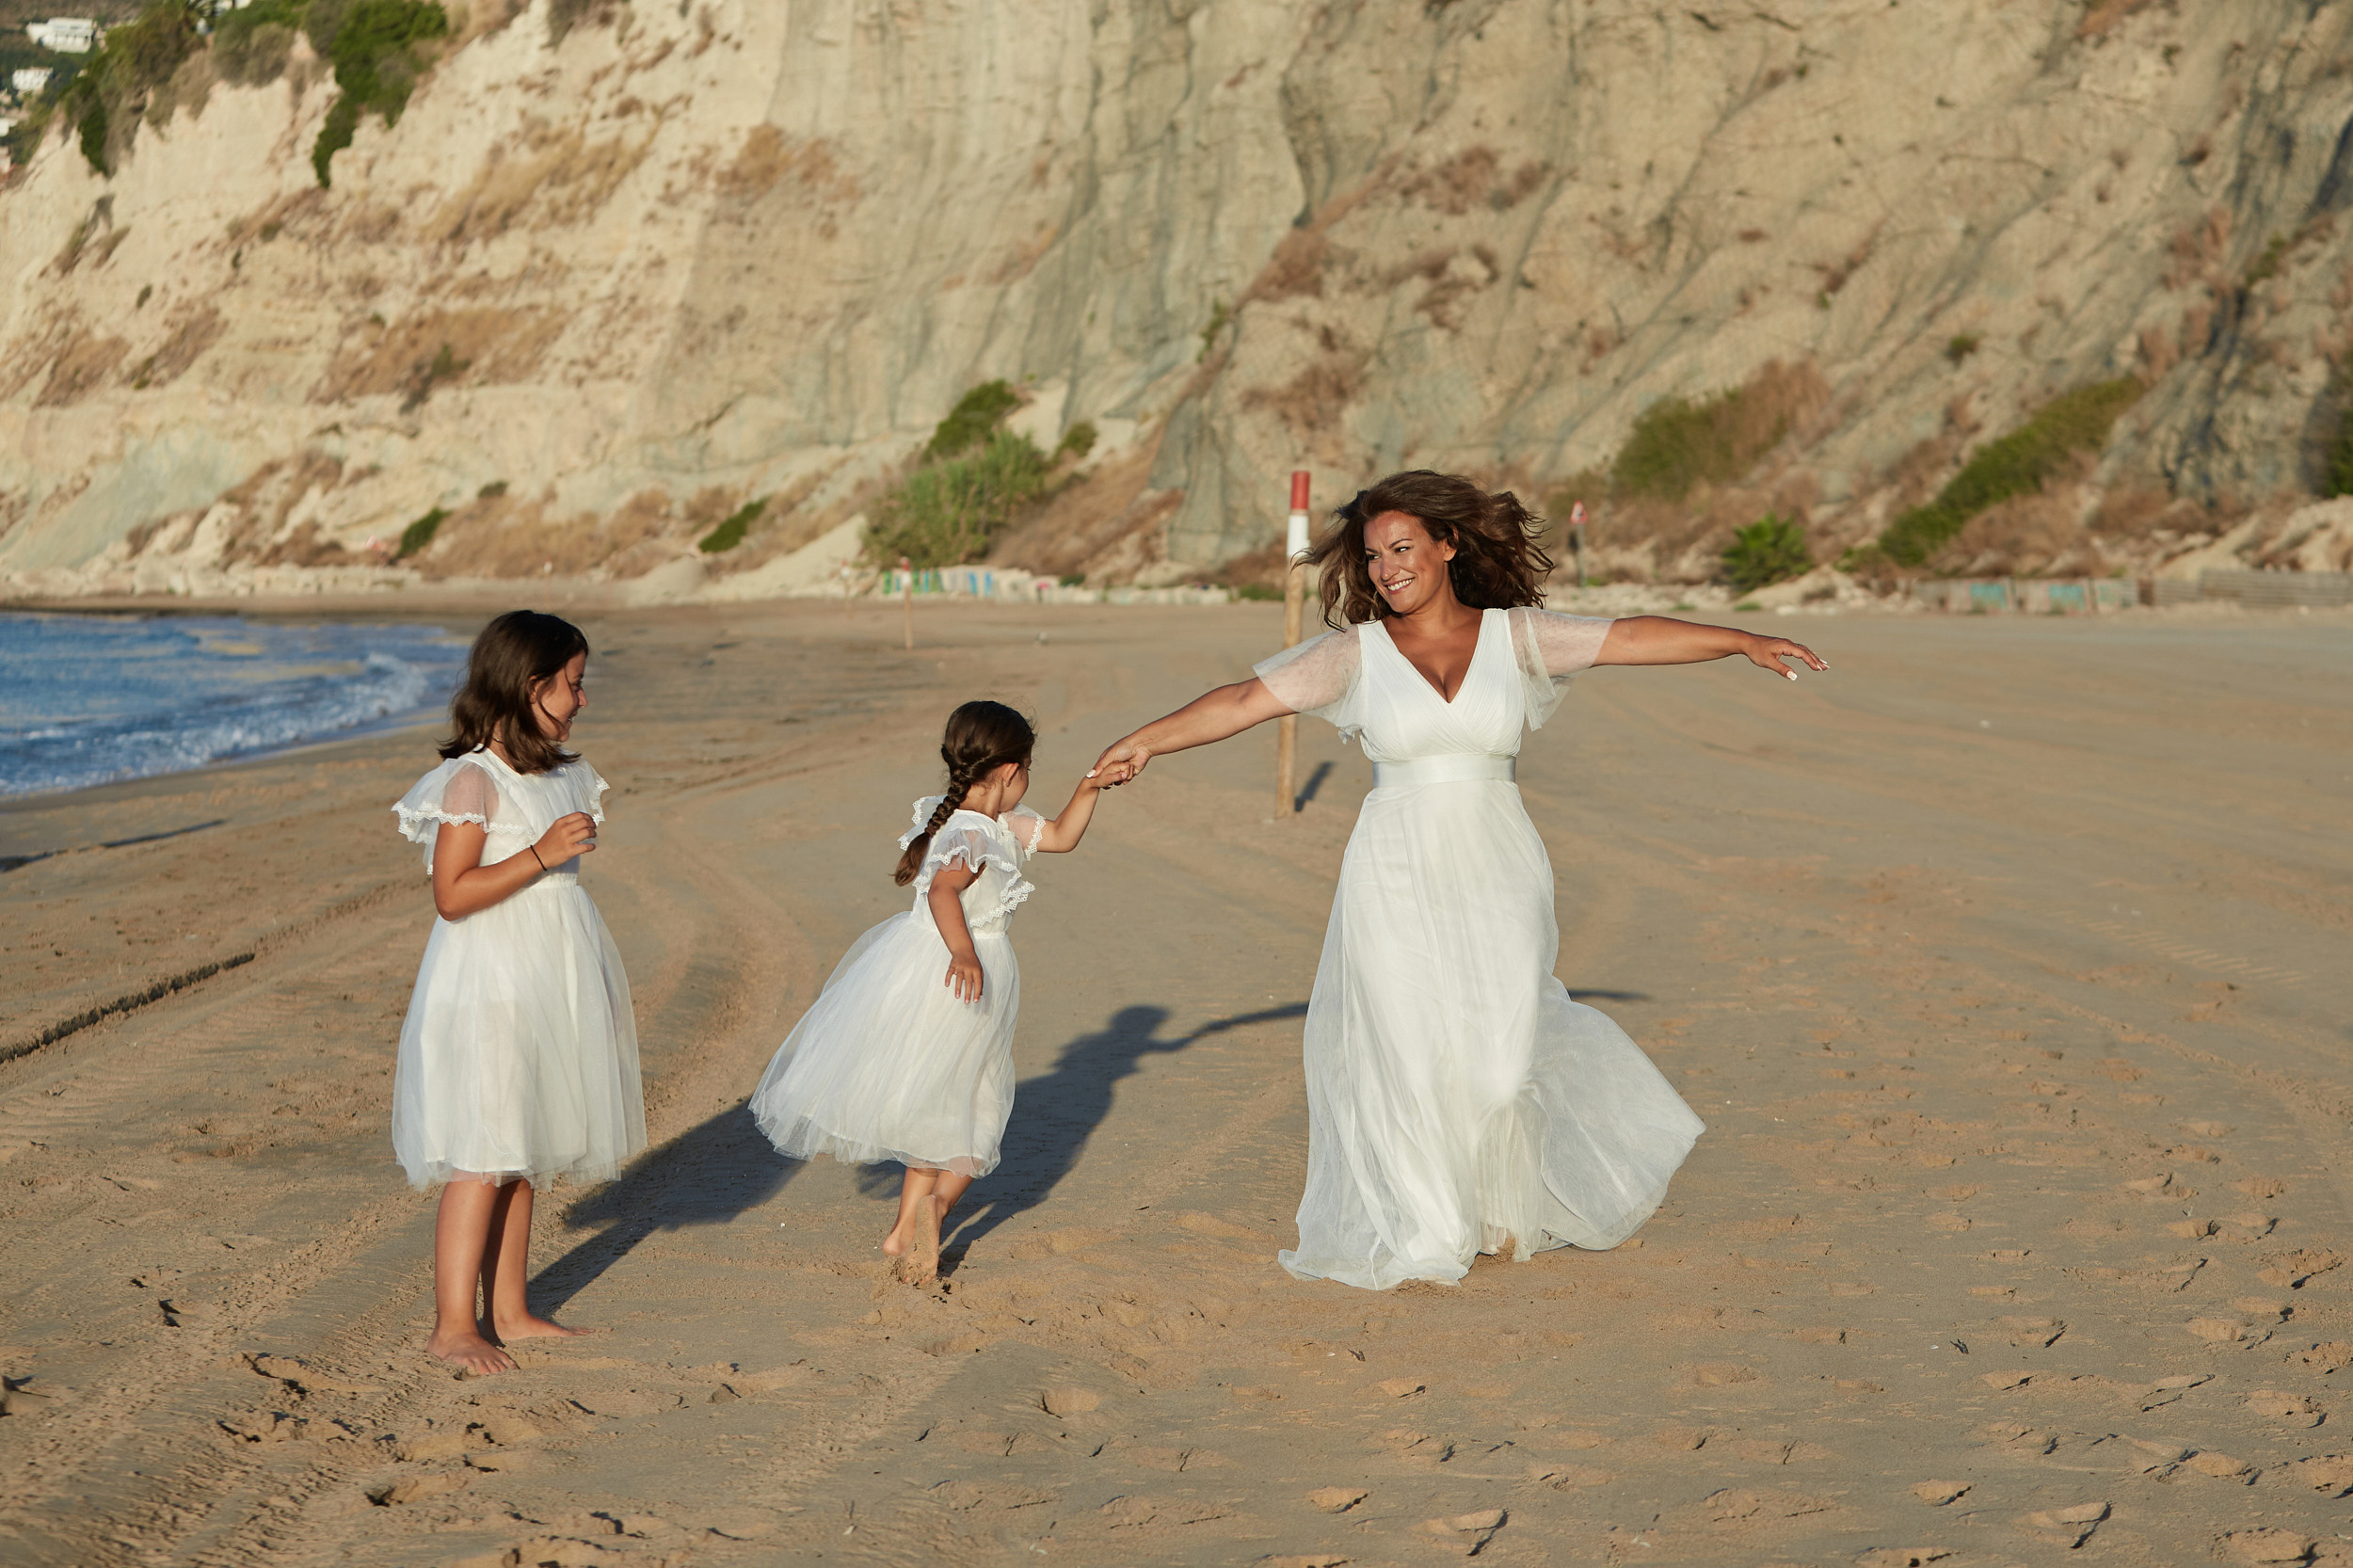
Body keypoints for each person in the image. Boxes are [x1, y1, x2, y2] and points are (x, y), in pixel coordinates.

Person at [1090, 471, 1830, 1290]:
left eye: (1403, 548)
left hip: (1497, 862)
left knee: (1501, 1057)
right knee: (1408, 1050)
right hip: (1393, 867)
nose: (1386, 569)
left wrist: (1738, 640)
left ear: (1448, 546)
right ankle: (1431, 1228)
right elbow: (1239, 702)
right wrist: (1146, 741)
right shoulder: (1354, 655)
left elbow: (1629, 637)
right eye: (1372, 557)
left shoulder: (1516, 639)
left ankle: (1497, 1206)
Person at [749, 700, 1105, 1286]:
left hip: (922, 967)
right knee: (977, 1107)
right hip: (965, 970)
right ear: (1012, 771)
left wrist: (1092, 786)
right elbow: (944, 892)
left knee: (935, 1100)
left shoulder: (960, 820)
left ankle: (900, 1233)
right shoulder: (976, 832)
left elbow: (1062, 835)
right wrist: (966, 953)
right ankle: (935, 1209)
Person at [390, 611, 644, 1373]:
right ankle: (451, 1324)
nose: (582, 699)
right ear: (530, 686)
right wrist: (539, 852)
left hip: (548, 978)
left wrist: (588, 990)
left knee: (522, 1148)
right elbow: (452, 894)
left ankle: (510, 1310)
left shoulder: (562, 773)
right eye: (573, 683)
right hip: (490, 985)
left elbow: (561, 902)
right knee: (482, 1150)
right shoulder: (474, 778)